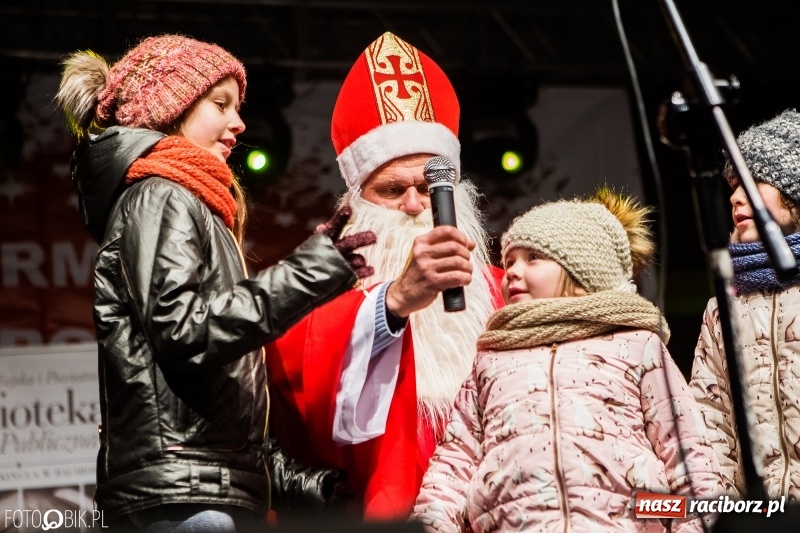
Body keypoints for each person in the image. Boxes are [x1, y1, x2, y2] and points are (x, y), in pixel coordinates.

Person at [55, 34, 375, 532]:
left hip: (201, 492)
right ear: (170, 109)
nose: (239, 122)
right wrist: (313, 270)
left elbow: (210, 392)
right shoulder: (161, 196)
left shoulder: (193, 203)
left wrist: (296, 483)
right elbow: (183, 330)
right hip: (184, 502)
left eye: (238, 106)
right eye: (219, 104)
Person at [264, 32, 503, 521]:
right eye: (392, 189)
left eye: (427, 187)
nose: (414, 206)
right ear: (356, 201)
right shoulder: (321, 296)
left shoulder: (504, 288)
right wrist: (391, 303)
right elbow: (298, 374)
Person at [411, 187, 723, 532]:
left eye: (533, 258)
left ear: (582, 276)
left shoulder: (636, 345)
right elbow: (455, 462)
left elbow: (687, 452)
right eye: (509, 260)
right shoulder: (492, 359)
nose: (512, 271)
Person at [690, 108, 800, 503]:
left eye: (753, 182)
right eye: (733, 184)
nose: (735, 196)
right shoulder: (724, 304)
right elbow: (709, 416)